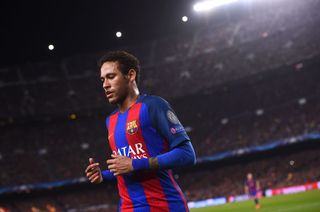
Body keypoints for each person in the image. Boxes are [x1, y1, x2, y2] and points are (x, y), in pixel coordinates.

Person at [85, 51, 196, 211]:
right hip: (128, 207)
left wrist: (136, 164)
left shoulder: (153, 105)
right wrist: (103, 175)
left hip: (164, 206)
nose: (105, 85)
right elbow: (125, 166)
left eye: (111, 77)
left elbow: (187, 154)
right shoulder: (110, 121)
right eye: (102, 80)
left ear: (130, 75)